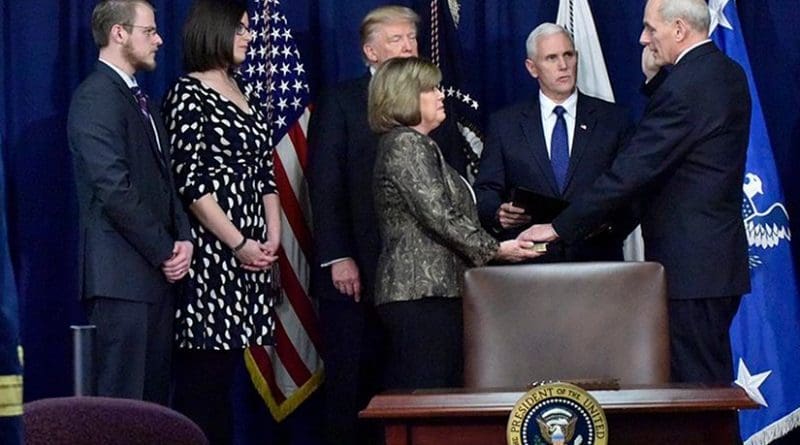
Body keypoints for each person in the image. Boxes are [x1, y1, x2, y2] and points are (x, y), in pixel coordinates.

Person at [519, 0, 751, 383]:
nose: (643, 39)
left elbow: (633, 170)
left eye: (650, 29)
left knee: (697, 390)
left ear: (678, 29)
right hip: (712, 264)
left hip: (692, 269)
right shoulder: (725, 72)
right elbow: (680, 145)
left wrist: (560, 227)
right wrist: (656, 80)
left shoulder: (688, 86)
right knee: (704, 384)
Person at [306, 5, 470, 444]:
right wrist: (338, 257)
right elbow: (325, 184)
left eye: (412, 39)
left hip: (421, 278)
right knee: (352, 381)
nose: (408, 46)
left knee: (412, 379)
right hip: (356, 269)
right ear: (370, 50)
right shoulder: (340, 100)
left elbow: (452, 181)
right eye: (396, 39)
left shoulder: (434, 103)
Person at [370, 56, 540, 390]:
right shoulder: (406, 144)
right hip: (420, 295)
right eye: (430, 89)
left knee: (442, 390)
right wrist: (497, 250)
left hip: (437, 295)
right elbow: (438, 215)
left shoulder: (420, 144)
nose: (441, 94)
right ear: (406, 96)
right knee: (429, 394)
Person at [162, 0, 279, 442]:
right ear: (213, 32)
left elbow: (266, 176)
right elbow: (191, 186)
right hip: (214, 257)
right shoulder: (187, 94)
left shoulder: (243, 91)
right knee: (203, 386)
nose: (248, 37)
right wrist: (238, 243)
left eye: (248, 29)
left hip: (252, 258)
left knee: (226, 379)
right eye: (240, 30)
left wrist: (272, 240)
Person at [67, 0, 192, 405]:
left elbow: (165, 181)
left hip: (156, 278)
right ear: (119, 33)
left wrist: (183, 238)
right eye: (149, 31)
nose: (159, 40)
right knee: (122, 409)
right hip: (121, 281)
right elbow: (113, 188)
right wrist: (164, 249)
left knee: (153, 407)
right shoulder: (96, 97)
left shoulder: (141, 99)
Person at [473, 23, 635, 262]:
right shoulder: (505, 124)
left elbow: (631, 191)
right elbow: (486, 190)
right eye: (551, 58)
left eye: (568, 55)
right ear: (532, 68)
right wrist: (498, 213)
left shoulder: (614, 120)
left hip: (597, 264)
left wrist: (604, 230)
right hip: (531, 267)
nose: (563, 65)